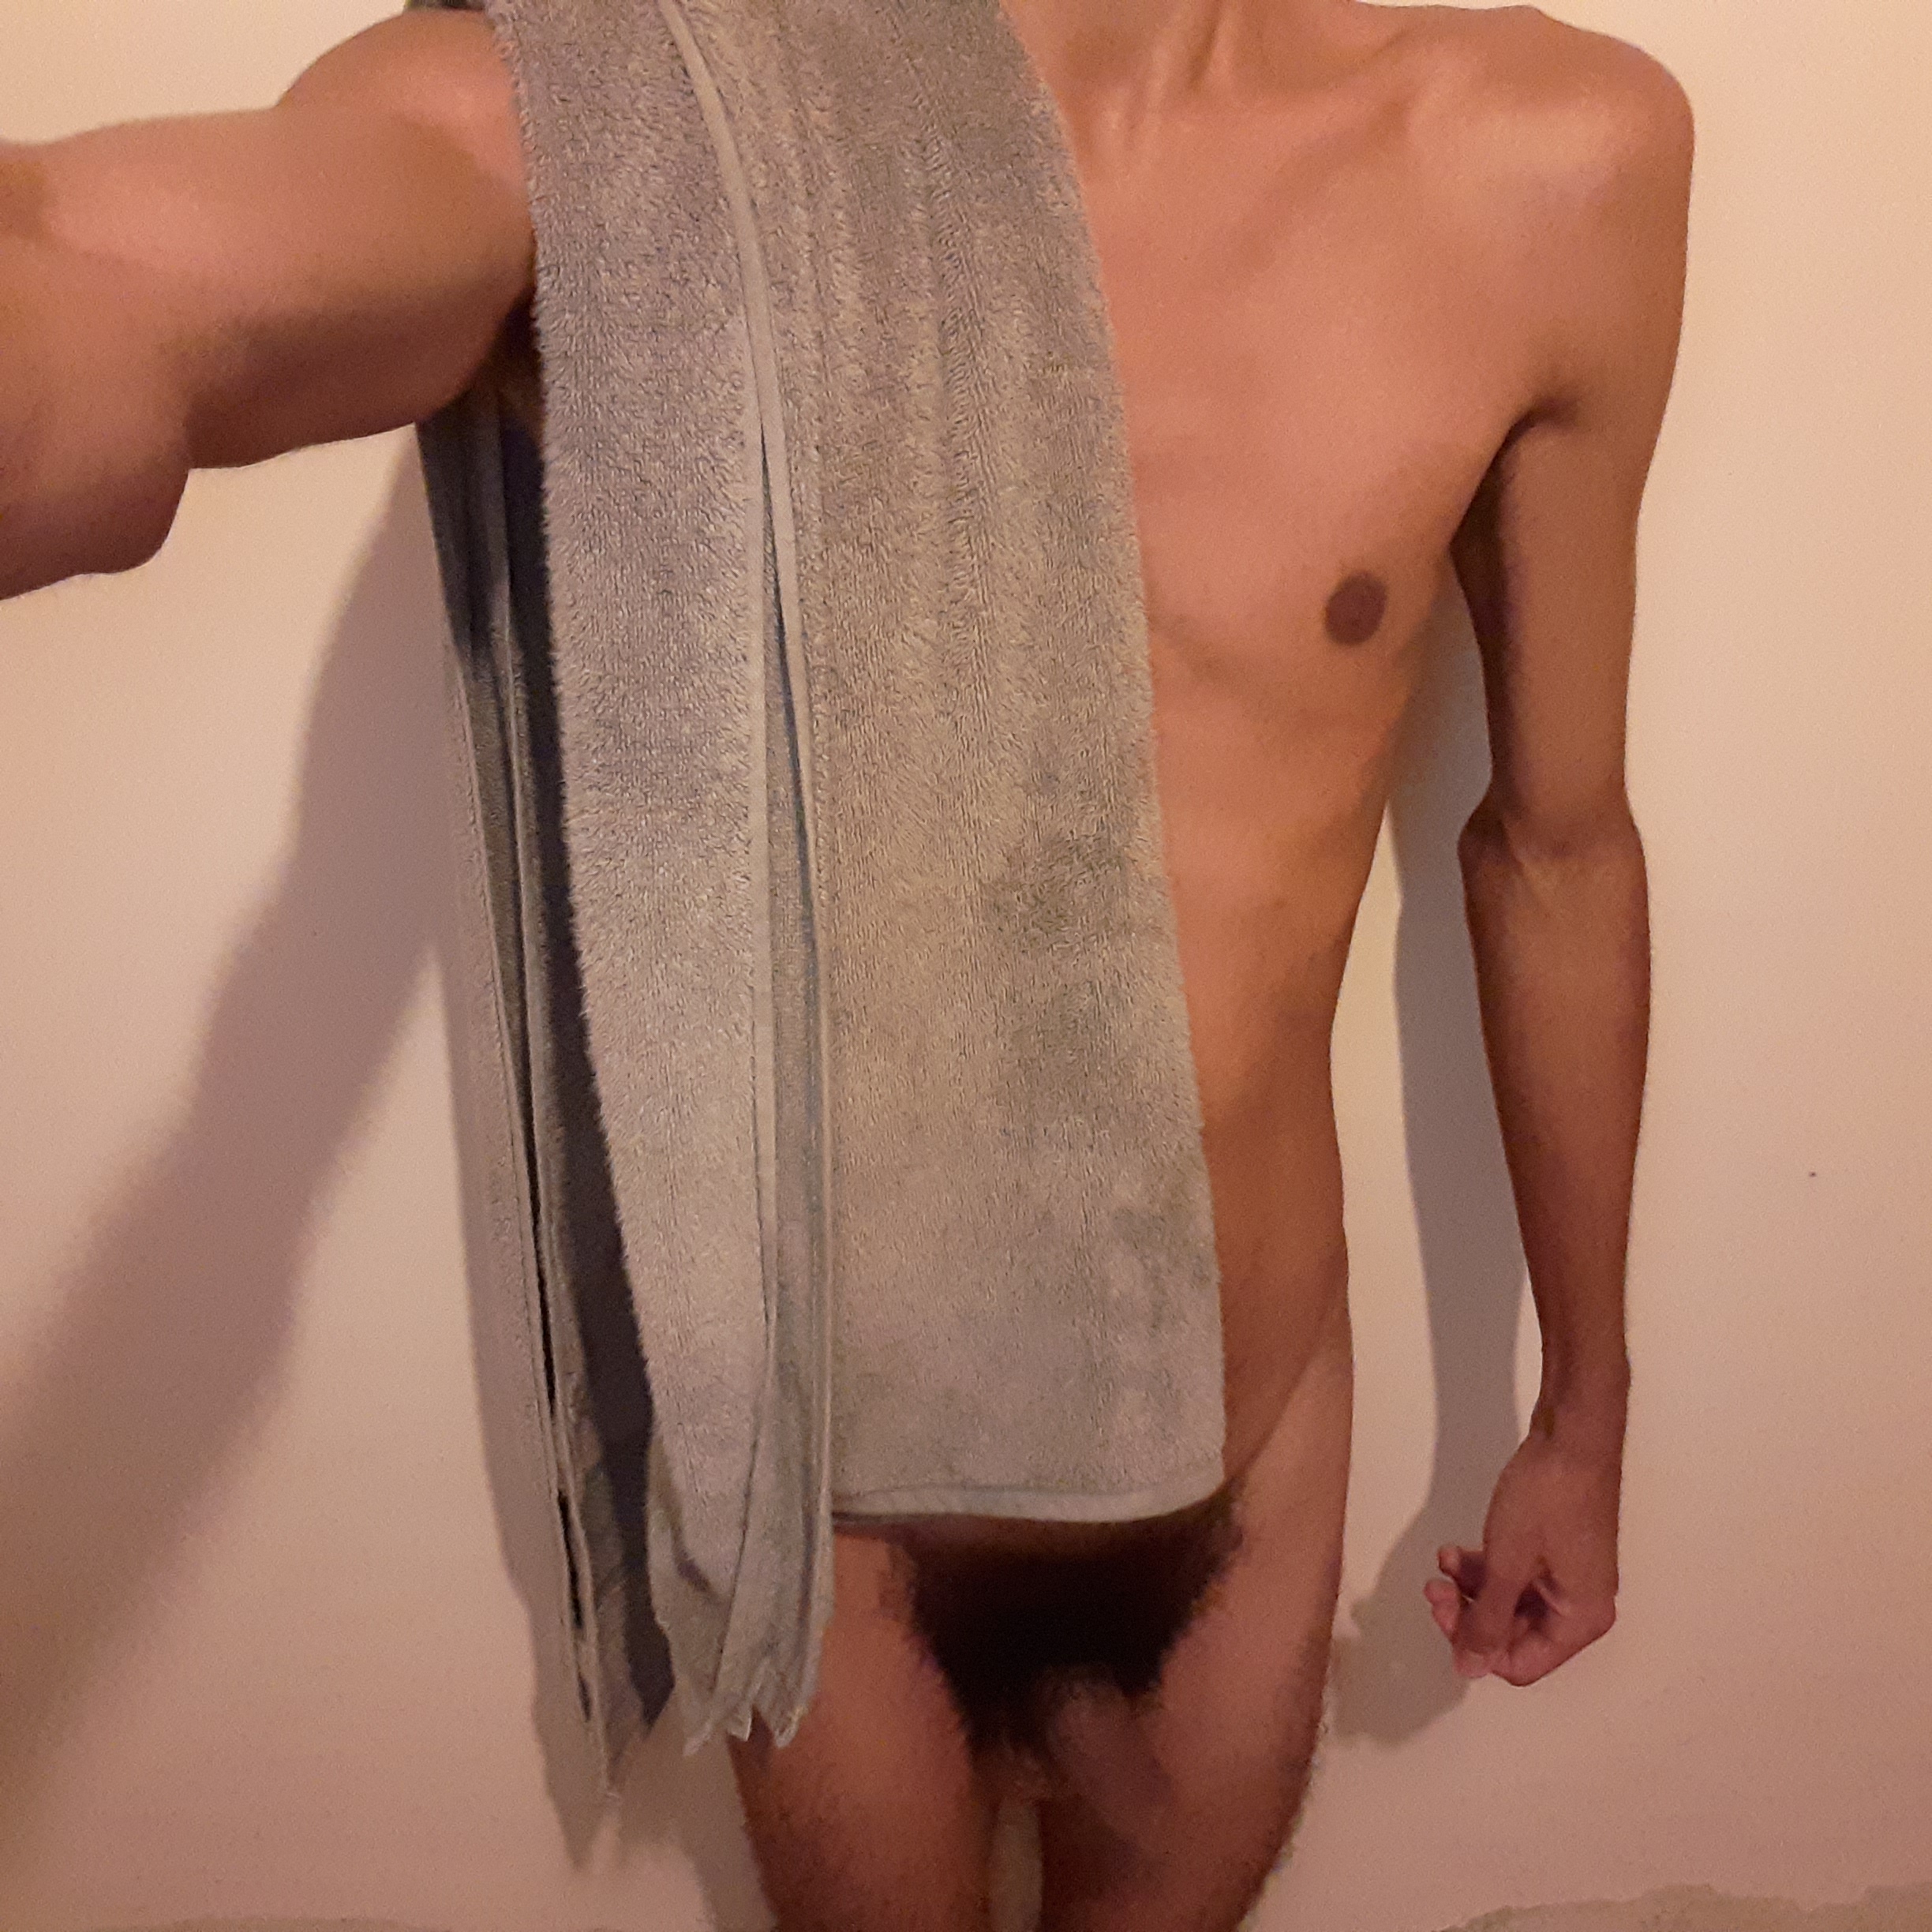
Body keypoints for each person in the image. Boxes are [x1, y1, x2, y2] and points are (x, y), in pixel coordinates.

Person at [0, 0, 1692, 1926]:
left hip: (1251, 1444)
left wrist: (1584, 1413)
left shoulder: (1547, 163)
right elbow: (114, 276)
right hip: (838, 1488)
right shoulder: (632, 110)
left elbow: (1558, 851)